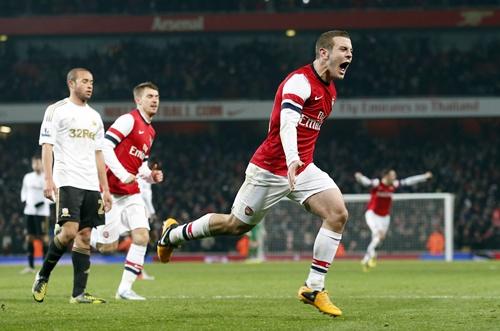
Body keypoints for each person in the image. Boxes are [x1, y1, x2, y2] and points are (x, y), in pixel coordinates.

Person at [158, 30, 353, 317]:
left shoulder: (331, 92)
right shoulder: (299, 82)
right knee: (235, 225)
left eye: (351, 50)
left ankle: (313, 287)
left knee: (338, 214)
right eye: (344, 49)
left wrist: (299, 163)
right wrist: (291, 159)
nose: (350, 55)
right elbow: (287, 124)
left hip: (302, 169)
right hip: (271, 168)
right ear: (324, 53)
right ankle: (172, 235)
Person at [32, 67, 112, 304]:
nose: (90, 85)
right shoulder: (56, 110)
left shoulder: (95, 117)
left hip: (90, 184)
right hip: (67, 180)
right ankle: (43, 274)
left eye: (92, 82)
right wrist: (48, 179)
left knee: (85, 236)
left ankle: (78, 294)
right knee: (68, 232)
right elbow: (47, 146)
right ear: (71, 83)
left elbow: (99, 154)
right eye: (85, 81)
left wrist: (105, 188)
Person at [90, 82, 163, 300]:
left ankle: (124, 289)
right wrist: (122, 174)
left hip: (132, 191)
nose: (155, 100)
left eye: (157, 96)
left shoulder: (151, 131)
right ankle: (80, 233)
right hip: (110, 189)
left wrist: (150, 175)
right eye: (150, 96)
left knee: (142, 236)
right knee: (107, 247)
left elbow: (140, 163)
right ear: (138, 100)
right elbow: (104, 146)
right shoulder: (128, 120)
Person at [354, 169, 433, 271]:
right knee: (379, 235)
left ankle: (366, 260)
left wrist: (424, 177)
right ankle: (372, 256)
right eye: (392, 175)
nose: (395, 177)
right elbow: (366, 182)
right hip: (372, 214)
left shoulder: (394, 185)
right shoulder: (377, 183)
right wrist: (360, 177)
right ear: (386, 176)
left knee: (378, 240)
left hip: (385, 217)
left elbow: (409, 181)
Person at [20, 154, 51, 274]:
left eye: (38, 162)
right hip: (29, 211)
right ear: (32, 164)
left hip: (43, 212)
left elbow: (53, 194)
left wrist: (44, 202)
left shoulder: (47, 178)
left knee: (44, 238)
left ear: (42, 163)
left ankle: (45, 267)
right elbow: (24, 191)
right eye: (34, 163)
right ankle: (30, 266)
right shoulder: (27, 177)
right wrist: (26, 201)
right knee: (29, 237)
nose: (36, 165)